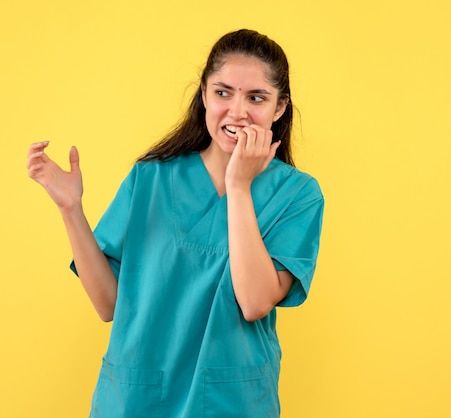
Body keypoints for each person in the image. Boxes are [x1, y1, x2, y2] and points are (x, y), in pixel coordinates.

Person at [26, 29, 324, 417]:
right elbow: (107, 304)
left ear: (279, 108)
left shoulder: (297, 195)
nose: (237, 111)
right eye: (222, 92)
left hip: (229, 403)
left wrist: (238, 186)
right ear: (203, 95)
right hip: (136, 400)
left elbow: (253, 302)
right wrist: (71, 209)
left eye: (256, 98)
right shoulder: (150, 178)